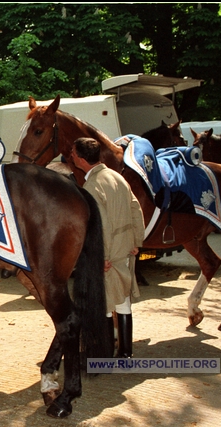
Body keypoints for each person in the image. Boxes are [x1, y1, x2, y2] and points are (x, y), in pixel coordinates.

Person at [71, 138, 145, 358]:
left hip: (109, 253)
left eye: (73, 152)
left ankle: (102, 354)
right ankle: (125, 353)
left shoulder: (92, 185)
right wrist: (136, 241)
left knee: (104, 302)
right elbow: (136, 209)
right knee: (122, 301)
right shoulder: (117, 176)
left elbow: (99, 224)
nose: (71, 156)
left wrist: (100, 255)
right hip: (124, 248)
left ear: (82, 159)